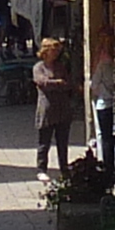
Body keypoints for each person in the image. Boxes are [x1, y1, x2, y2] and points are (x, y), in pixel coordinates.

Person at [33, 34, 79, 179]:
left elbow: (69, 83)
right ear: (46, 52)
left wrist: (62, 84)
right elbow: (42, 82)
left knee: (62, 141)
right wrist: (58, 83)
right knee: (44, 141)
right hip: (47, 108)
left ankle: (64, 167)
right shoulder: (39, 67)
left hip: (62, 108)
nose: (56, 54)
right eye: (54, 51)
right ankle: (41, 169)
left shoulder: (60, 67)